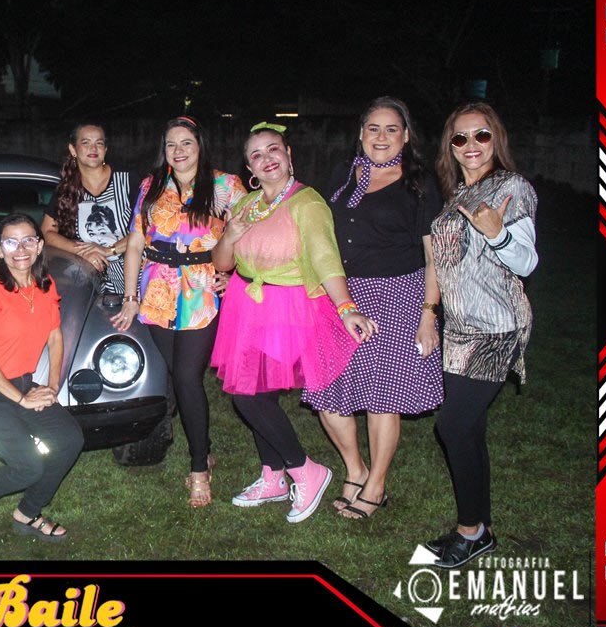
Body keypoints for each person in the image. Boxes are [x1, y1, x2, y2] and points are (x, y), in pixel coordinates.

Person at [210, 123, 378, 523]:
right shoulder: (246, 204)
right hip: (246, 305)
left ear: (288, 154)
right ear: (249, 167)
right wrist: (230, 234)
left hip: (286, 309)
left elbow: (325, 259)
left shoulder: (307, 202)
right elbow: (222, 262)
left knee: (248, 396)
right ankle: (273, 476)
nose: (267, 159)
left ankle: (305, 470)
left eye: (273, 149)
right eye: (256, 154)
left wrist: (346, 307)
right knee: (259, 395)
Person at [302, 97, 444, 519]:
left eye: (391, 129)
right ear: (361, 133)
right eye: (373, 128)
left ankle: (376, 486)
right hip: (342, 294)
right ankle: (356, 470)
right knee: (326, 391)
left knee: (384, 395)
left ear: (406, 136)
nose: (381, 137)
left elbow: (434, 256)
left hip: (398, 293)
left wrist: (428, 313)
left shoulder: (419, 182)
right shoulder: (342, 175)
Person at [423, 102, 538, 568]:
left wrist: (498, 234)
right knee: (468, 428)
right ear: (450, 147)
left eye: (481, 135)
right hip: (459, 328)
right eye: (460, 137)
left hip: (495, 328)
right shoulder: (457, 194)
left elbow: (527, 262)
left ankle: (470, 531)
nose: (471, 145)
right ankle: (481, 531)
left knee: (451, 426)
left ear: (496, 139)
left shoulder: (513, 188)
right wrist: (430, 312)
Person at [111, 115, 247, 508]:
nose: (179, 150)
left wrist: (237, 276)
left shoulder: (226, 186)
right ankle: (204, 446)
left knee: (187, 377)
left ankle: (199, 467)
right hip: (157, 290)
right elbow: (136, 242)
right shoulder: (151, 186)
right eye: (171, 144)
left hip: (201, 291)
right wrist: (130, 297)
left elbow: (251, 236)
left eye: (186, 142)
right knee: (176, 374)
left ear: (200, 145)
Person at [0, 214, 84, 542]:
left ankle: (28, 512)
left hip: (22, 385)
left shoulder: (45, 286)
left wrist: (52, 387)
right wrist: (22, 399)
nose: (20, 249)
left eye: (28, 240)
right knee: (27, 466)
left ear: (39, 245)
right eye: (11, 242)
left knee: (69, 439)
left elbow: (55, 337)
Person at [42, 123, 138, 295]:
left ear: (105, 149)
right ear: (73, 149)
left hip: (135, 277)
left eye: (99, 143)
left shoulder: (128, 180)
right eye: (86, 142)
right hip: (91, 281)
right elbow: (47, 231)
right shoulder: (67, 189)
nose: (93, 148)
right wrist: (83, 252)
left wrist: (109, 250)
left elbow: (148, 228)